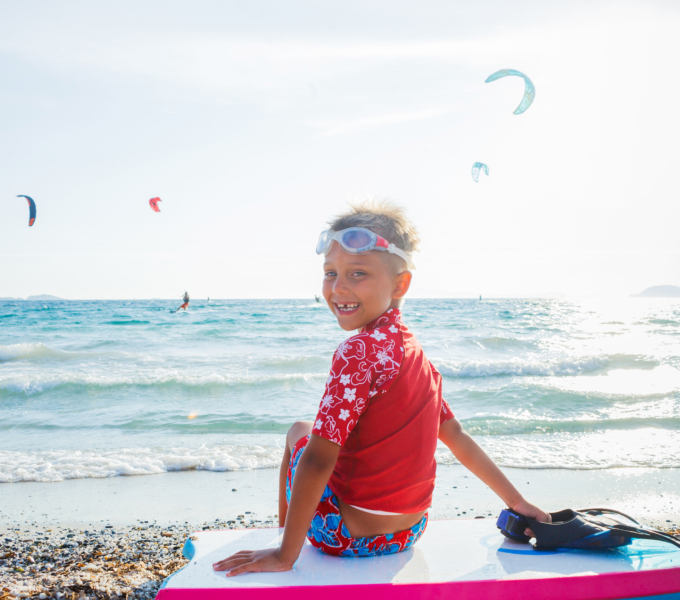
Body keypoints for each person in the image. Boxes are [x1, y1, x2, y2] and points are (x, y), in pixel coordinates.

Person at [213, 200, 550, 577]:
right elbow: (454, 434)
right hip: (409, 531)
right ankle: (287, 540)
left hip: (340, 536)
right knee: (310, 433)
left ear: (400, 283)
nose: (338, 287)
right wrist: (517, 502)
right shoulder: (412, 350)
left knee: (299, 435)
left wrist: (285, 558)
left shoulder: (357, 352)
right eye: (330, 273)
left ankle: (284, 544)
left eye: (357, 273)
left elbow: (319, 460)